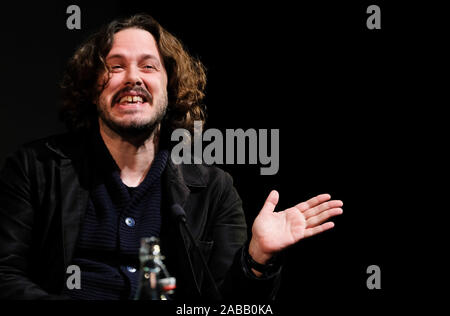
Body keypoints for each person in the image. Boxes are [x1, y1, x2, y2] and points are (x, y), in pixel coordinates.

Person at [0, 14, 343, 300]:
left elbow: (230, 306)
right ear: (93, 89)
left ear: (171, 86)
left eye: (148, 67)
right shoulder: (34, 168)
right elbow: (4, 274)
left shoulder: (215, 188)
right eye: (115, 67)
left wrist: (257, 258)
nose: (132, 77)